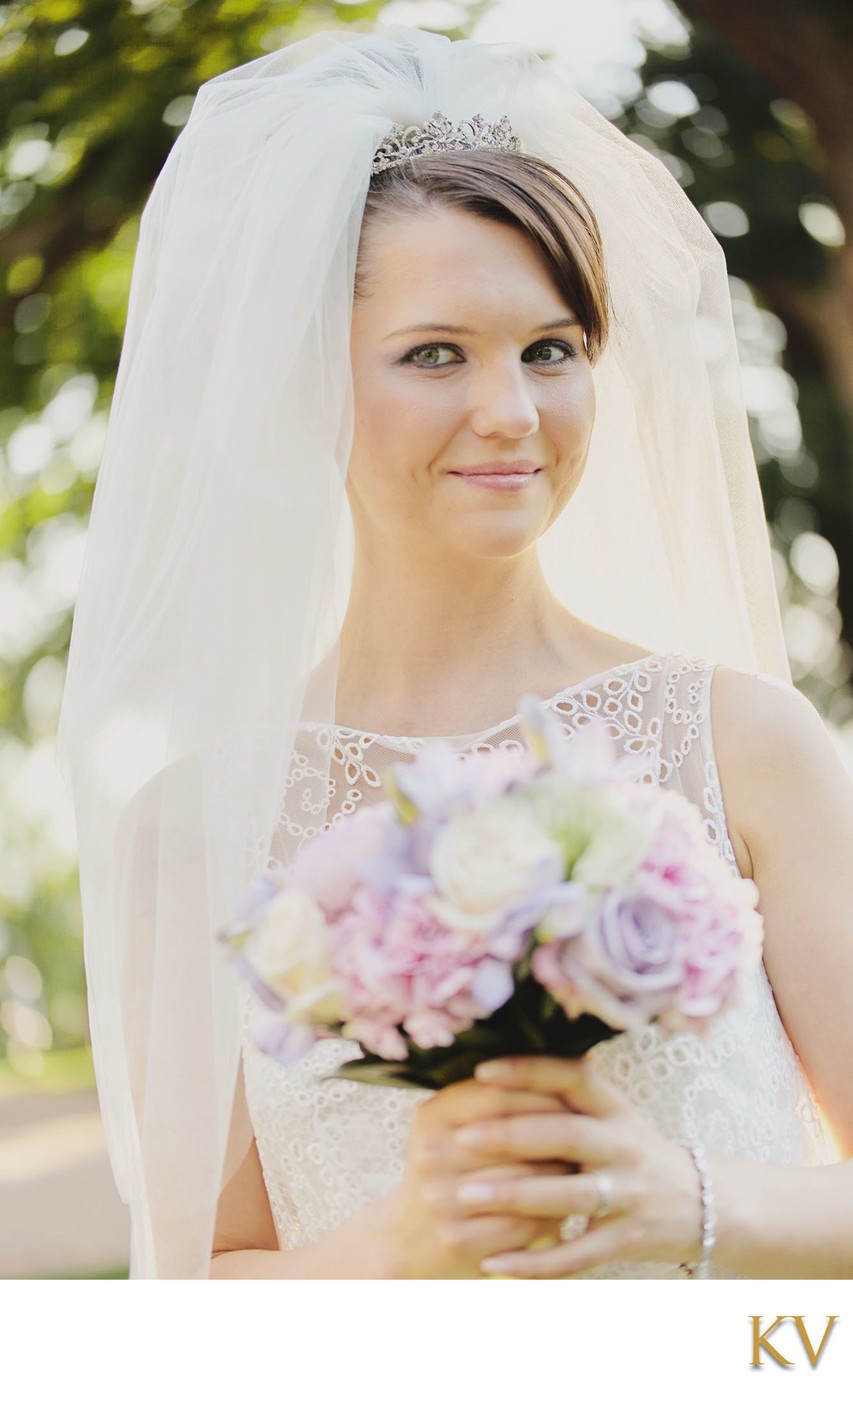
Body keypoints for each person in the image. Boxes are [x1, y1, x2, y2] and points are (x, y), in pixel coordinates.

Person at [56, 25, 853, 1280]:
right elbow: (200, 1290)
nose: (511, 412)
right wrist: (405, 1245)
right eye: (436, 353)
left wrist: (688, 1200)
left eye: (551, 350)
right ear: (302, 382)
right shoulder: (197, 824)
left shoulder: (743, 744)